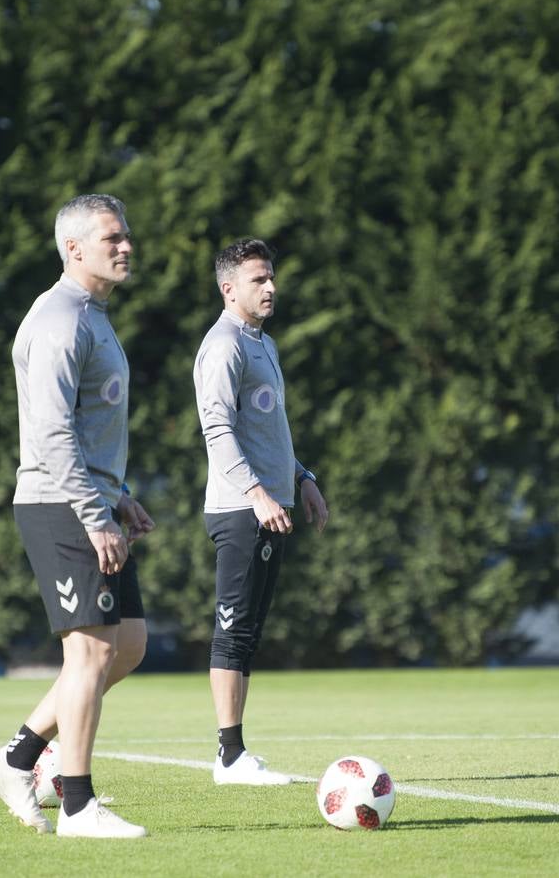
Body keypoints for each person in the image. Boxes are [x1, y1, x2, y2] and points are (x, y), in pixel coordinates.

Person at [0, 193, 154, 838]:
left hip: (91, 498)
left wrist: (119, 492)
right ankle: (78, 805)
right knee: (91, 651)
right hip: (59, 503)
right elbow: (50, 434)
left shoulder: (93, 313)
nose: (126, 245)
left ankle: (16, 759)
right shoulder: (58, 319)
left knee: (127, 646)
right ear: (74, 248)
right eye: (112, 237)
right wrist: (94, 514)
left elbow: (87, 428)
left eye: (127, 235)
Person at [192, 237, 329, 786]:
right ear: (229, 288)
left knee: (248, 633)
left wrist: (302, 477)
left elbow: (272, 430)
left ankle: (235, 754)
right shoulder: (223, 346)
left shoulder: (263, 345)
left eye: (271, 277)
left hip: (270, 505)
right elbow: (217, 431)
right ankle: (229, 756)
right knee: (233, 629)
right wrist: (257, 494)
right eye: (257, 279)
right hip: (239, 510)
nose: (270, 287)